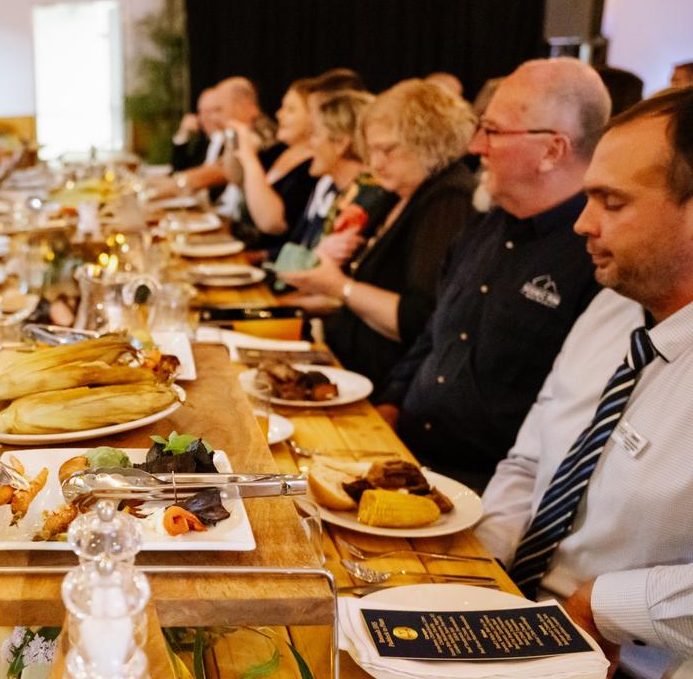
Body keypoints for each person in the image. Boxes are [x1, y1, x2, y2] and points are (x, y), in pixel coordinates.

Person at [476, 86, 693, 679]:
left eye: (611, 202)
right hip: (519, 615)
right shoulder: (611, 307)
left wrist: (602, 606)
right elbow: (528, 461)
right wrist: (479, 572)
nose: (581, 222)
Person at [375, 59, 610, 489]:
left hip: (486, 488)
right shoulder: (485, 224)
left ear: (552, 150)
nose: (475, 146)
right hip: (405, 455)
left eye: (494, 131)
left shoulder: (595, 256)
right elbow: (433, 334)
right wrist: (389, 405)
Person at [278, 79, 476, 388]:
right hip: (342, 362)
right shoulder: (396, 193)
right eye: (371, 150)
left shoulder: (448, 200)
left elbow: (418, 318)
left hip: (382, 385)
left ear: (428, 141)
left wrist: (339, 286)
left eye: (386, 150)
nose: (375, 163)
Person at [232, 69, 365, 253]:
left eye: (291, 109)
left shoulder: (333, 180)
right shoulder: (281, 152)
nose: (279, 114)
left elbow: (274, 224)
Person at [292, 90, 391, 259]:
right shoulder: (346, 192)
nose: (310, 143)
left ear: (341, 144)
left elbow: (316, 274)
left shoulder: (367, 198)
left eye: (315, 134)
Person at [170, 87, 226, 172]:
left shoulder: (230, 143)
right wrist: (183, 133)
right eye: (200, 112)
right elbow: (179, 169)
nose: (201, 117)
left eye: (207, 112)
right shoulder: (203, 144)